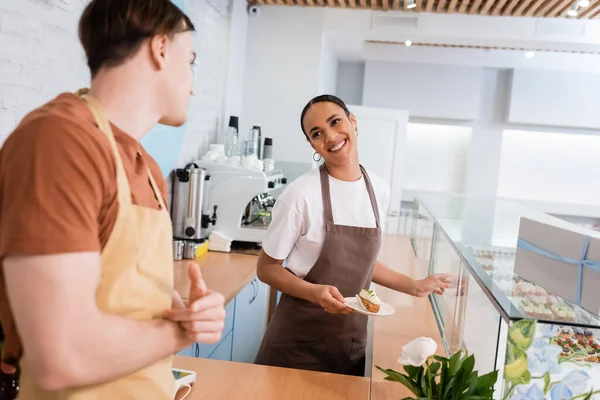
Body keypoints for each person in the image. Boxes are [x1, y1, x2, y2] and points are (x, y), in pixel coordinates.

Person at [0, 1, 226, 399]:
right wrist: (180, 331)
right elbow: (61, 356)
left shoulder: (147, 168)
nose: (193, 85)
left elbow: (135, 298)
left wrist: (192, 312)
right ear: (160, 49)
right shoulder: (59, 141)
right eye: (190, 61)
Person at [254, 95, 450, 376]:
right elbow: (267, 268)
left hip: (349, 342)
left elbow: (363, 263)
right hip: (296, 344)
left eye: (335, 122)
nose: (331, 137)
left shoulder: (378, 190)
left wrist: (414, 286)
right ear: (312, 145)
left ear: (353, 121)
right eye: (317, 133)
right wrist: (315, 292)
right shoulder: (300, 195)